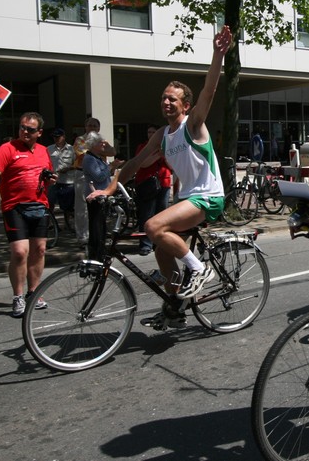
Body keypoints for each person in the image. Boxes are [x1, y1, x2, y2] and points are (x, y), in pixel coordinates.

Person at [88, 25, 232, 329]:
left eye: (173, 99)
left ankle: (199, 269)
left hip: (208, 197)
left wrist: (218, 55)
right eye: (164, 98)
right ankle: (175, 306)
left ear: (185, 106)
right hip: (187, 198)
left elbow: (209, 91)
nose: (166, 102)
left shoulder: (192, 125)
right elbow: (135, 163)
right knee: (160, 247)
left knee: (153, 225)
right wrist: (110, 189)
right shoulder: (164, 135)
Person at [0, 112, 55, 318]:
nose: (24, 131)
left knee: (39, 250)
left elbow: (47, 176)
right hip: (15, 207)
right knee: (20, 252)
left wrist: (50, 180)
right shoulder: (8, 148)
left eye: (30, 129)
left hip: (39, 206)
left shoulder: (43, 150)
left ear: (39, 132)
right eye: (22, 127)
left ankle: (34, 292)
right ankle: (18, 296)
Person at [73, 117, 117, 247]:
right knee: (82, 207)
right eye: (90, 125)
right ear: (85, 127)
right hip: (83, 175)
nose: (92, 128)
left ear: (99, 128)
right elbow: (83, 153)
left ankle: (98, 235)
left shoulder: (101, 139)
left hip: (101, 173)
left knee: (99, 206)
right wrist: (102, 151)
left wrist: (101, 150)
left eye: (95, 126)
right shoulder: (80, 140)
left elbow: (113, 151)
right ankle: (83, 237)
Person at [133, 125, 172, 256]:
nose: (151, 134)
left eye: (153, 132)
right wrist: (158, 154)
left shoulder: (167, 146)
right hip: (147, 183)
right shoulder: (143, 147)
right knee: (147, 214)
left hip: (164, 183)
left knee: (161, 215)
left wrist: (164, 154)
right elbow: (143, 163)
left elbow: (172, 165)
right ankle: (146, 244)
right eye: (149, 132)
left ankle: (159, 243)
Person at [46, 128, 76, 230]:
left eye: (58, 137)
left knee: (67, 205)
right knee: (50, 202)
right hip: (53, 181)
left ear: (64, 137)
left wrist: (68, 168)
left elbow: (77, 164)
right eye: (54, 137)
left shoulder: (72, 149)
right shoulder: (49, 149)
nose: (56, 139)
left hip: (68, 180)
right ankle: (51, 223)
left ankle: (67, 224)